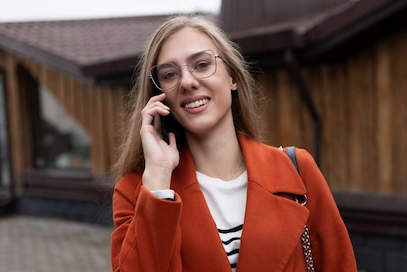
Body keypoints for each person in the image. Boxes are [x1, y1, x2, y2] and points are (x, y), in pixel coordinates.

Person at [110, 14, 357, 272]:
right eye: (170, 74)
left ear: (233, 77)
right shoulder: (138, 190)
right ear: (160, 98)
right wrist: (158, 179)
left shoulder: (297, 170)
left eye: (202, 64)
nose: (187, 82)